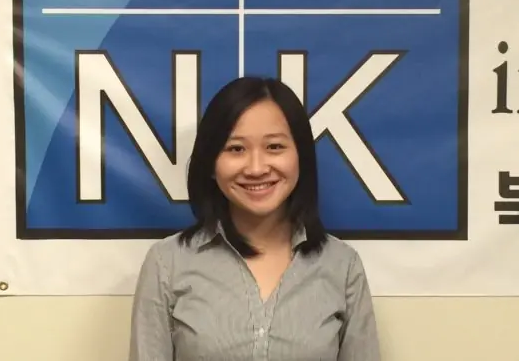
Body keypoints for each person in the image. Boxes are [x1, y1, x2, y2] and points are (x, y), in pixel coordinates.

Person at [129, 76, 381, 361]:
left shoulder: (343, 266)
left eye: (274, 147)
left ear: (300, 157)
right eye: (236, 149)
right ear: (211, 163)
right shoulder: (167, 264)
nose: (256, 168)